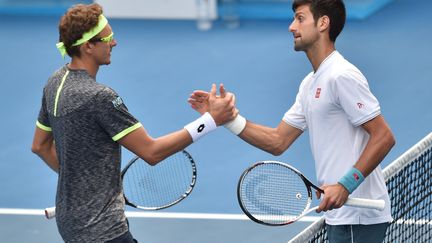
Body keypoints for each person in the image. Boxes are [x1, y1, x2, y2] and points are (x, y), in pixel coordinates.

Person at [188, 0, 395, 242]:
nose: (291, 27)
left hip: (357, 219)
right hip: (342, 216)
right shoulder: (310, 83)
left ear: (323, 23)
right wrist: (227, 119)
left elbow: (384, 137)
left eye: (300, 18)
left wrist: (345, 185)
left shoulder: (341, 75)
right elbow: (278, 140)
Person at [31, 3, 237, 243]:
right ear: (88, 46)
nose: (114, 43)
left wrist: (84, 182)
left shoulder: (55, 81)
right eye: (108, 38)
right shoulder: (100, 96)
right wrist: (211, 120)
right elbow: (152, 152)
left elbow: (40, 146)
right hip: (103, 230)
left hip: (70, 222)